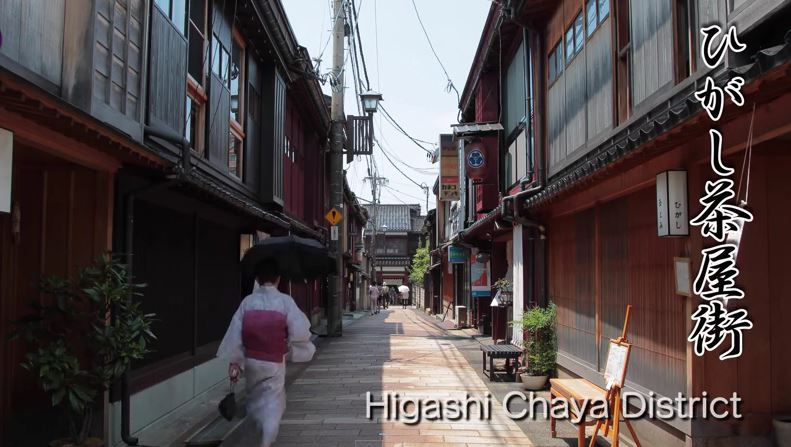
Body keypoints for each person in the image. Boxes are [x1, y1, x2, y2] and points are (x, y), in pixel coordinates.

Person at [217, 259, 315, 447]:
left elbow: (236, 333)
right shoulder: (284, 301)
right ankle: (265, 440)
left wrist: (236, 363)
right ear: (278, 279)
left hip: (252, 361)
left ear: (258, 279)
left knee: (254, 398)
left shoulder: (248, 301)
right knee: (272, 402)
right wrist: (289, 344)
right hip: (273, 361)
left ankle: (255, 429)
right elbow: (301, 330)